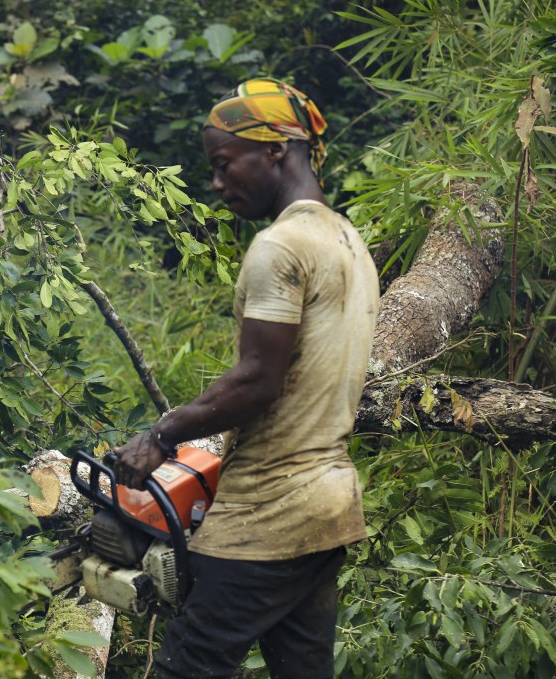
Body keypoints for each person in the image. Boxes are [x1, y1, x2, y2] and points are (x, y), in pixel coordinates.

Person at [112, 79, 380, 678]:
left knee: (188, 667)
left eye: (224, 163)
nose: (216, 182)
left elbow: (259, 380)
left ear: (276, 150)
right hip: (327, 505)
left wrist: (162, 433)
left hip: (269, 515)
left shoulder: (280, 246)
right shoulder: (348, 242)